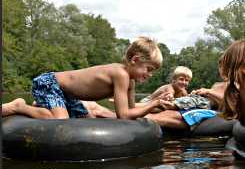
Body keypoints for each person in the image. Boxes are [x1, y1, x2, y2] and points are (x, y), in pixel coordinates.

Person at [2, 36, 173, 119]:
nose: (150, 75)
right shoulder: (121, 74)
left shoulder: (131, 82)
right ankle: (19, 106)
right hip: (50, 83)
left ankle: (41, 105)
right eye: (149, 69)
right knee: (61, 121)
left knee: (87, 117)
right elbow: (124, 115)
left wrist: (158, 103)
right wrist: (154, 103)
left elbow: (131, 109)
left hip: (66, 94)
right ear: (135, 60)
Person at [145, 58, 228, 129]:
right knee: (166, 104)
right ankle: (138, 109)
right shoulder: (217, 84)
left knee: (168, 105)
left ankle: (138, 109)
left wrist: (209, 92)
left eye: (225, 67)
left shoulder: (234, 86)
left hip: (203, 104)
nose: (222, 70)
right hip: (199, 100)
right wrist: (199, 93)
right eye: (220, 67)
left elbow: (228, 103)